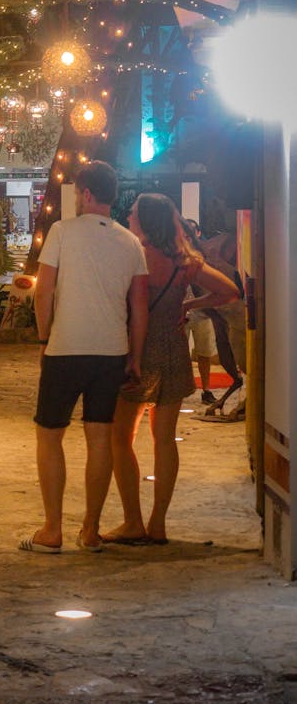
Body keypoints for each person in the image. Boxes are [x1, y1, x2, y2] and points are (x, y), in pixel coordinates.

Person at [20, 161, 149, 554]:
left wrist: (44, 339)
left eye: (78, 192)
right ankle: (90, 530)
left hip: (65, 347)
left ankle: (52, 530)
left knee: (50, 435)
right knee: (100, 438)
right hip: (111, 350)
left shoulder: (62, 232)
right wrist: (135, 357)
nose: (76, 198)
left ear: (87, 193)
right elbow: (139, 306)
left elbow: (44, 291)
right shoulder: (130, 242)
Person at [103, 194, 240, 546]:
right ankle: (158, 523)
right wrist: (191, 303)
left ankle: (132, 521)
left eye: (132, 214)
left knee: (121, 437)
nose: (129, 218)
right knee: (164, 439)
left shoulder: (134, 256)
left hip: (139, 349)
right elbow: (229, 291)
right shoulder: (184, 261)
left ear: (146, 221)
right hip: (174, 349)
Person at [182, 220, 217, 405]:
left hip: (202, 310)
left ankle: (206, 389)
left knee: (205, 351)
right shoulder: (175, 252)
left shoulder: (206, 253)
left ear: (197, 232)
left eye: (191, 231)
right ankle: (180, 389)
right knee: (180, 352)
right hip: (182, 309)